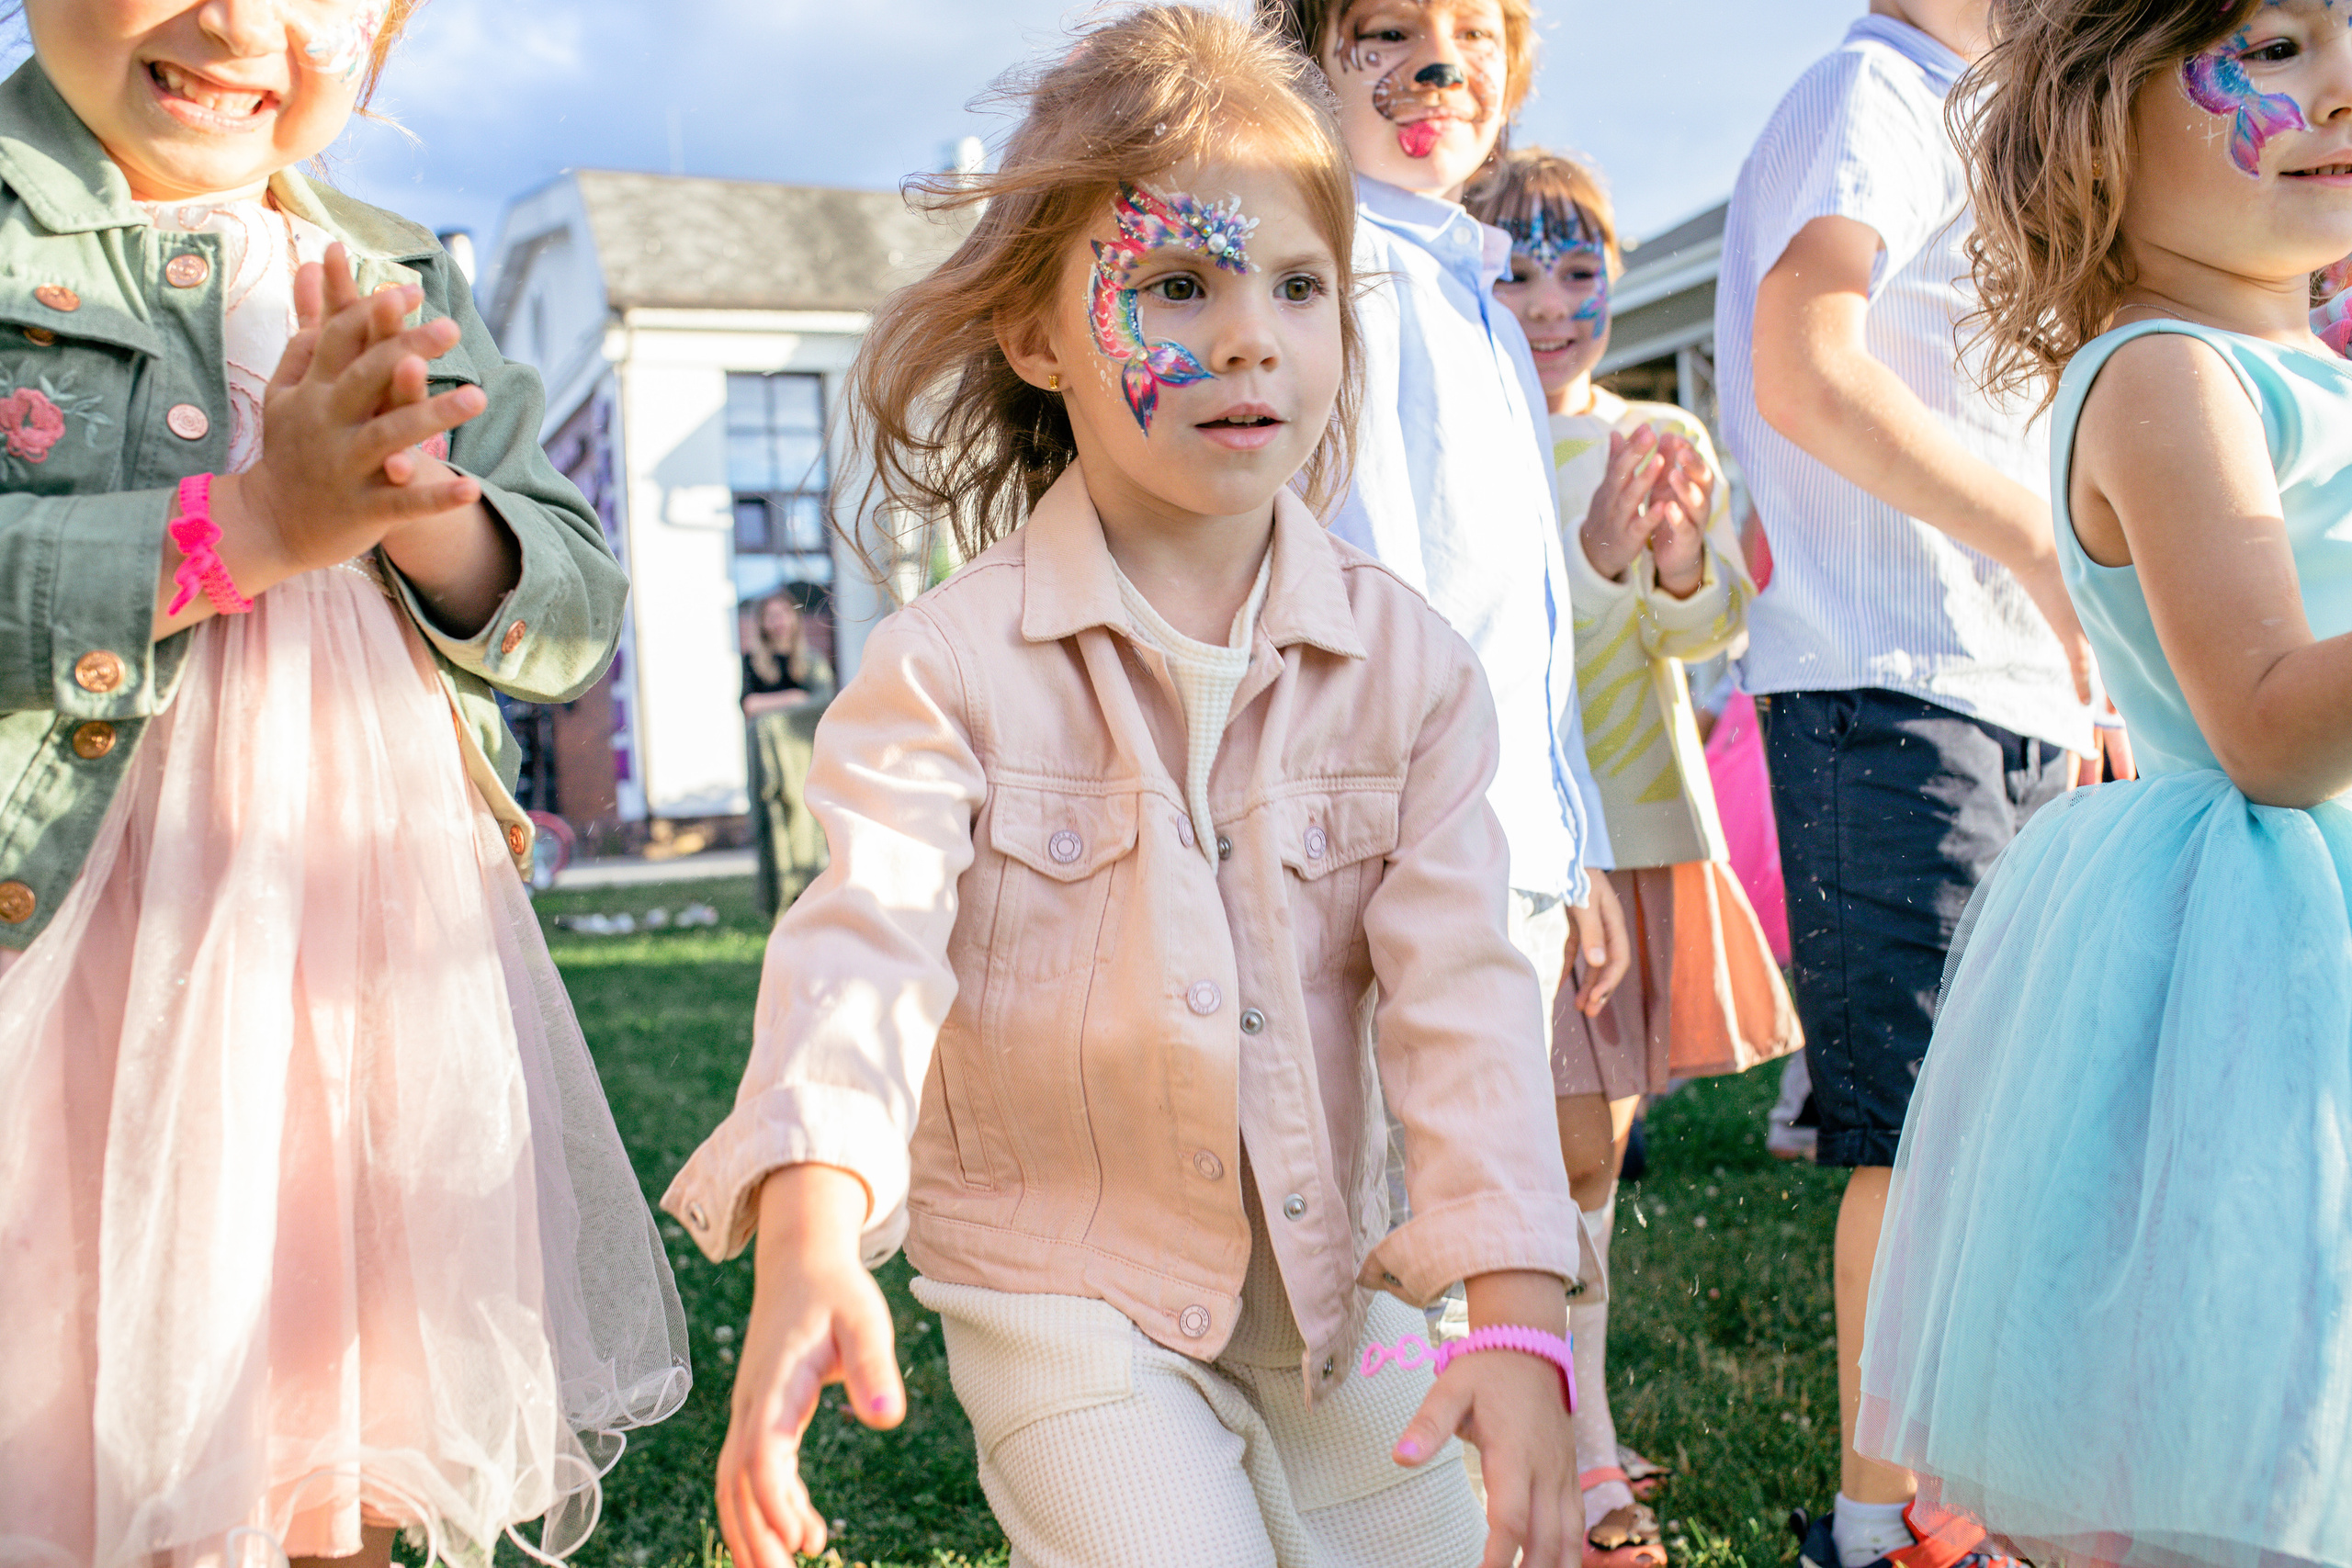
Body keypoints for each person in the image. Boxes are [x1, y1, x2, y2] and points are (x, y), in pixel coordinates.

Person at [664, 9, 1591, 1567]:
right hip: (1065, 1288)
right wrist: (815, 1211)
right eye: (1178, 285)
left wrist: (1516, 1310)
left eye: (1298, 287)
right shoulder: (945, 668)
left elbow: (1466, 1004)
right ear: (1039, 336)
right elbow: (862, 942)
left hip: (1332, 1296)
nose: (1249, 338)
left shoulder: (1415, 672)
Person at [0, 5, 691, 1563]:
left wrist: (422, 511)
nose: (241, 23)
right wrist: (248, 523)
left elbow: (572, 601)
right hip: (76, 933)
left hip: (348, 936)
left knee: (333, 1368)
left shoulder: (403, 272)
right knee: (75, 1364)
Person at [1858, 4, 2352, 1564]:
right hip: (2263, 956)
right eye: (2273, 48)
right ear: (2093, 116)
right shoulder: (2165, 379)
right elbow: (2271, 723)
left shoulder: (2302, 363)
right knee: (2251, 1384)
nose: (2340, 82)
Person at [1713, 2, 2109, 1561]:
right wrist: (2035, 538)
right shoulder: (1870, 92)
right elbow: (1807, 367)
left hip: (2015, 692)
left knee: (2015, 1129)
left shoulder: (2006, 125)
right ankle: (1880, 1531)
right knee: (1926, 1142)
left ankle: (1979, 1497)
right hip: (1888, 689)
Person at [1470, 146, 1803, 1568]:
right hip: (1523, 844)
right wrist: (1599, 562)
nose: (1554, 300)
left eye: (1578, 268)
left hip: (1646, 826)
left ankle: (1564, 1427)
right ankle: (1562, 1443)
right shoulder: (1467, 443)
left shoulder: (1656, 429)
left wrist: (1666, 556)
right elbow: (1513, 659)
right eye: (1520, 269)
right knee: (1533, 1163)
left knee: (1589, 1165)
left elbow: (1701, 632)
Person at [1256, 0, 1633, 1063]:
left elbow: (1524, 621)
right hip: (1413, 853)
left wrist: (1572, 847)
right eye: (1389, 31)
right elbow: (1369, 586)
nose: (1439, 66)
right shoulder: (1337, 273)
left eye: (1472, 31)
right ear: (1305, 63)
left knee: (1486, 1184)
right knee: (1409, 1199)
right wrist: (1422, 856)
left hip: (1507, 840)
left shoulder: (1474, 294)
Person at [741, 585, 837, 915]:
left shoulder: (811, 663)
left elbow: (825, 704)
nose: (778, 622)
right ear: (762, 623)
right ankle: (780, 897)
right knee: (774, 822)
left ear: (793, 620)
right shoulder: (753, 663)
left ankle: (811, 891)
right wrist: (795, 700)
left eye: (783, 614)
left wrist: (777, 710)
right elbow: (750, 704)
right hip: (767, 763)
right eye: (771, 616)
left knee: (805, 822)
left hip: (804, 761)